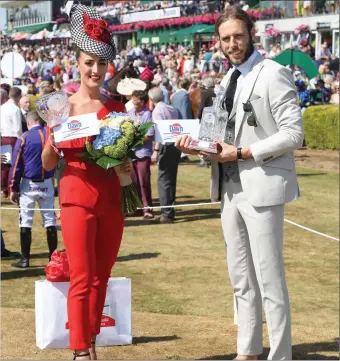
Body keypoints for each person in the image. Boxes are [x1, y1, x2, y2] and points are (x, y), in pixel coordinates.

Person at [176, 6, 304, 360]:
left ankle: (280, 355)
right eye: (225, 39)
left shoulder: (274, 73)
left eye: (238, 36)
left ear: (251, 34)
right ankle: (247, 352)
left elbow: (294, 134)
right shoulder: (225, 80)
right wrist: (198, 147)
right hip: (228, 189)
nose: (232, 44)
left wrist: (244, 152)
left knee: (270, 280)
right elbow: (218, 140)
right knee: (241, 279)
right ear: (218, 42)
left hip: (262, 187)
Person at [41, 3, 131, 360]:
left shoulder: (119, 110)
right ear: (77, 63)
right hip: (76, 198)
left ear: (108, 65)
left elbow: (125, 162)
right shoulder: (59, 106)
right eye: (88, 62)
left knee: (101, 278)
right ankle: (80, 350)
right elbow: (48, 163)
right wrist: (53, 138)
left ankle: (91, 341)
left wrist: (125, 164)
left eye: (101, 63)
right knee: (81, 276)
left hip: (111, 199)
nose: (95, 69)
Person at [9, 112, 58, 269]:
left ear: (28, 122)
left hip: (28, 185)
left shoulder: (24, 137)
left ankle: (25, 259)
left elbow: (16, 164)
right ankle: (53, 259)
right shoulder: (51, 134)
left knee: (26, 220)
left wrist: (13, 187)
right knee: (50, 220)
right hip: (47, 183)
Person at [149, 87, 181, 224]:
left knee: (163, 180)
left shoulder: (157, 111)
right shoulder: (171, 108)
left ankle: (166, 213)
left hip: (165, 146)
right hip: (175, 145)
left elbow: (159, 132)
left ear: (151, 99)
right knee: (171, 179)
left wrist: (155, 151)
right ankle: (169, 211)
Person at [128, 90, 154, 219]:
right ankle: (136, 208)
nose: (133, 101)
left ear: (142, 101)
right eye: (132, 98)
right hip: (131, 153)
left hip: (142, 153)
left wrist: (133, 142)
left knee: (144, 181)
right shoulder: (130, 113)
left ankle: (147, 209)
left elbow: (148, 135)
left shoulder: (147, 114)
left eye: (135, 99)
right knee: (133, 181)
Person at [0, 87, 23, 198]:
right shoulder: (15, 109)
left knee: (4, 164)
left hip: (3, 137)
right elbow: (18, 128)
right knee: (13, 164)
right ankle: (10, 189)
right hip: (13, 138)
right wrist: (22, 139)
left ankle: (4, 189)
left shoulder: (2, 107)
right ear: (18, 96)